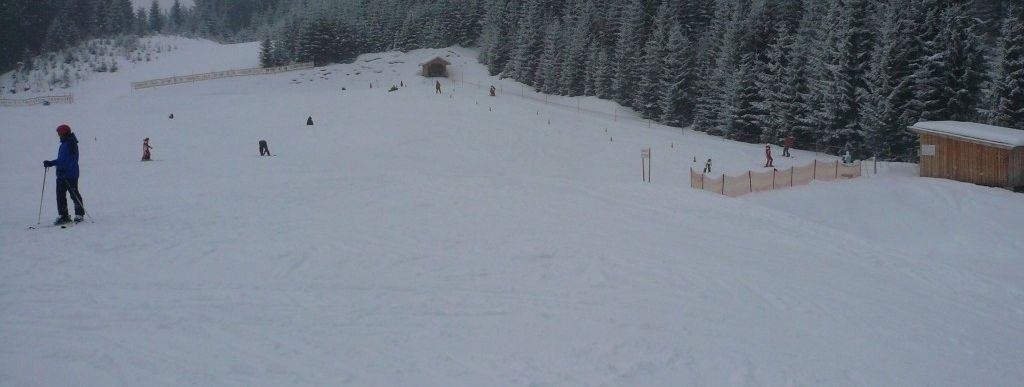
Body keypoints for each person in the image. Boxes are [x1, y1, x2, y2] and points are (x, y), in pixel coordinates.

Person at [43, 124, 85, 225]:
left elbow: (71, 160)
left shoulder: (71, 143)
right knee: (60, 196)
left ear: (64, 133)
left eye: (59, 134)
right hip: (61, 175)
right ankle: (64, 216)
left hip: (70, 174)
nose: (59, 136)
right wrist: (51, 163)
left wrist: (63, 169)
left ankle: (79, 214)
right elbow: (61, 160)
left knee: (74, 194)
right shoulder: (64, 144)